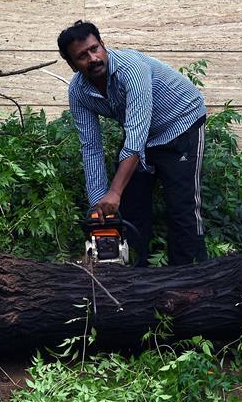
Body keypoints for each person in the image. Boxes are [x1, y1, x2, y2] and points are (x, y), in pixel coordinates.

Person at [57, 20, 208, 266]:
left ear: (103, 45)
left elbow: (136, 137)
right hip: (142, 133)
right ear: (71, 64)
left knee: (182, 208)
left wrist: (114, 192)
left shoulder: (131, 69)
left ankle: (190, 278)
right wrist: (99, 204)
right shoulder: (78, 92)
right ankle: (135, 278)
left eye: (95, 49)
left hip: (181, 123)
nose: (93, 58)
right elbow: (91, 147)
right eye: (82, 56)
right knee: (130, 209)